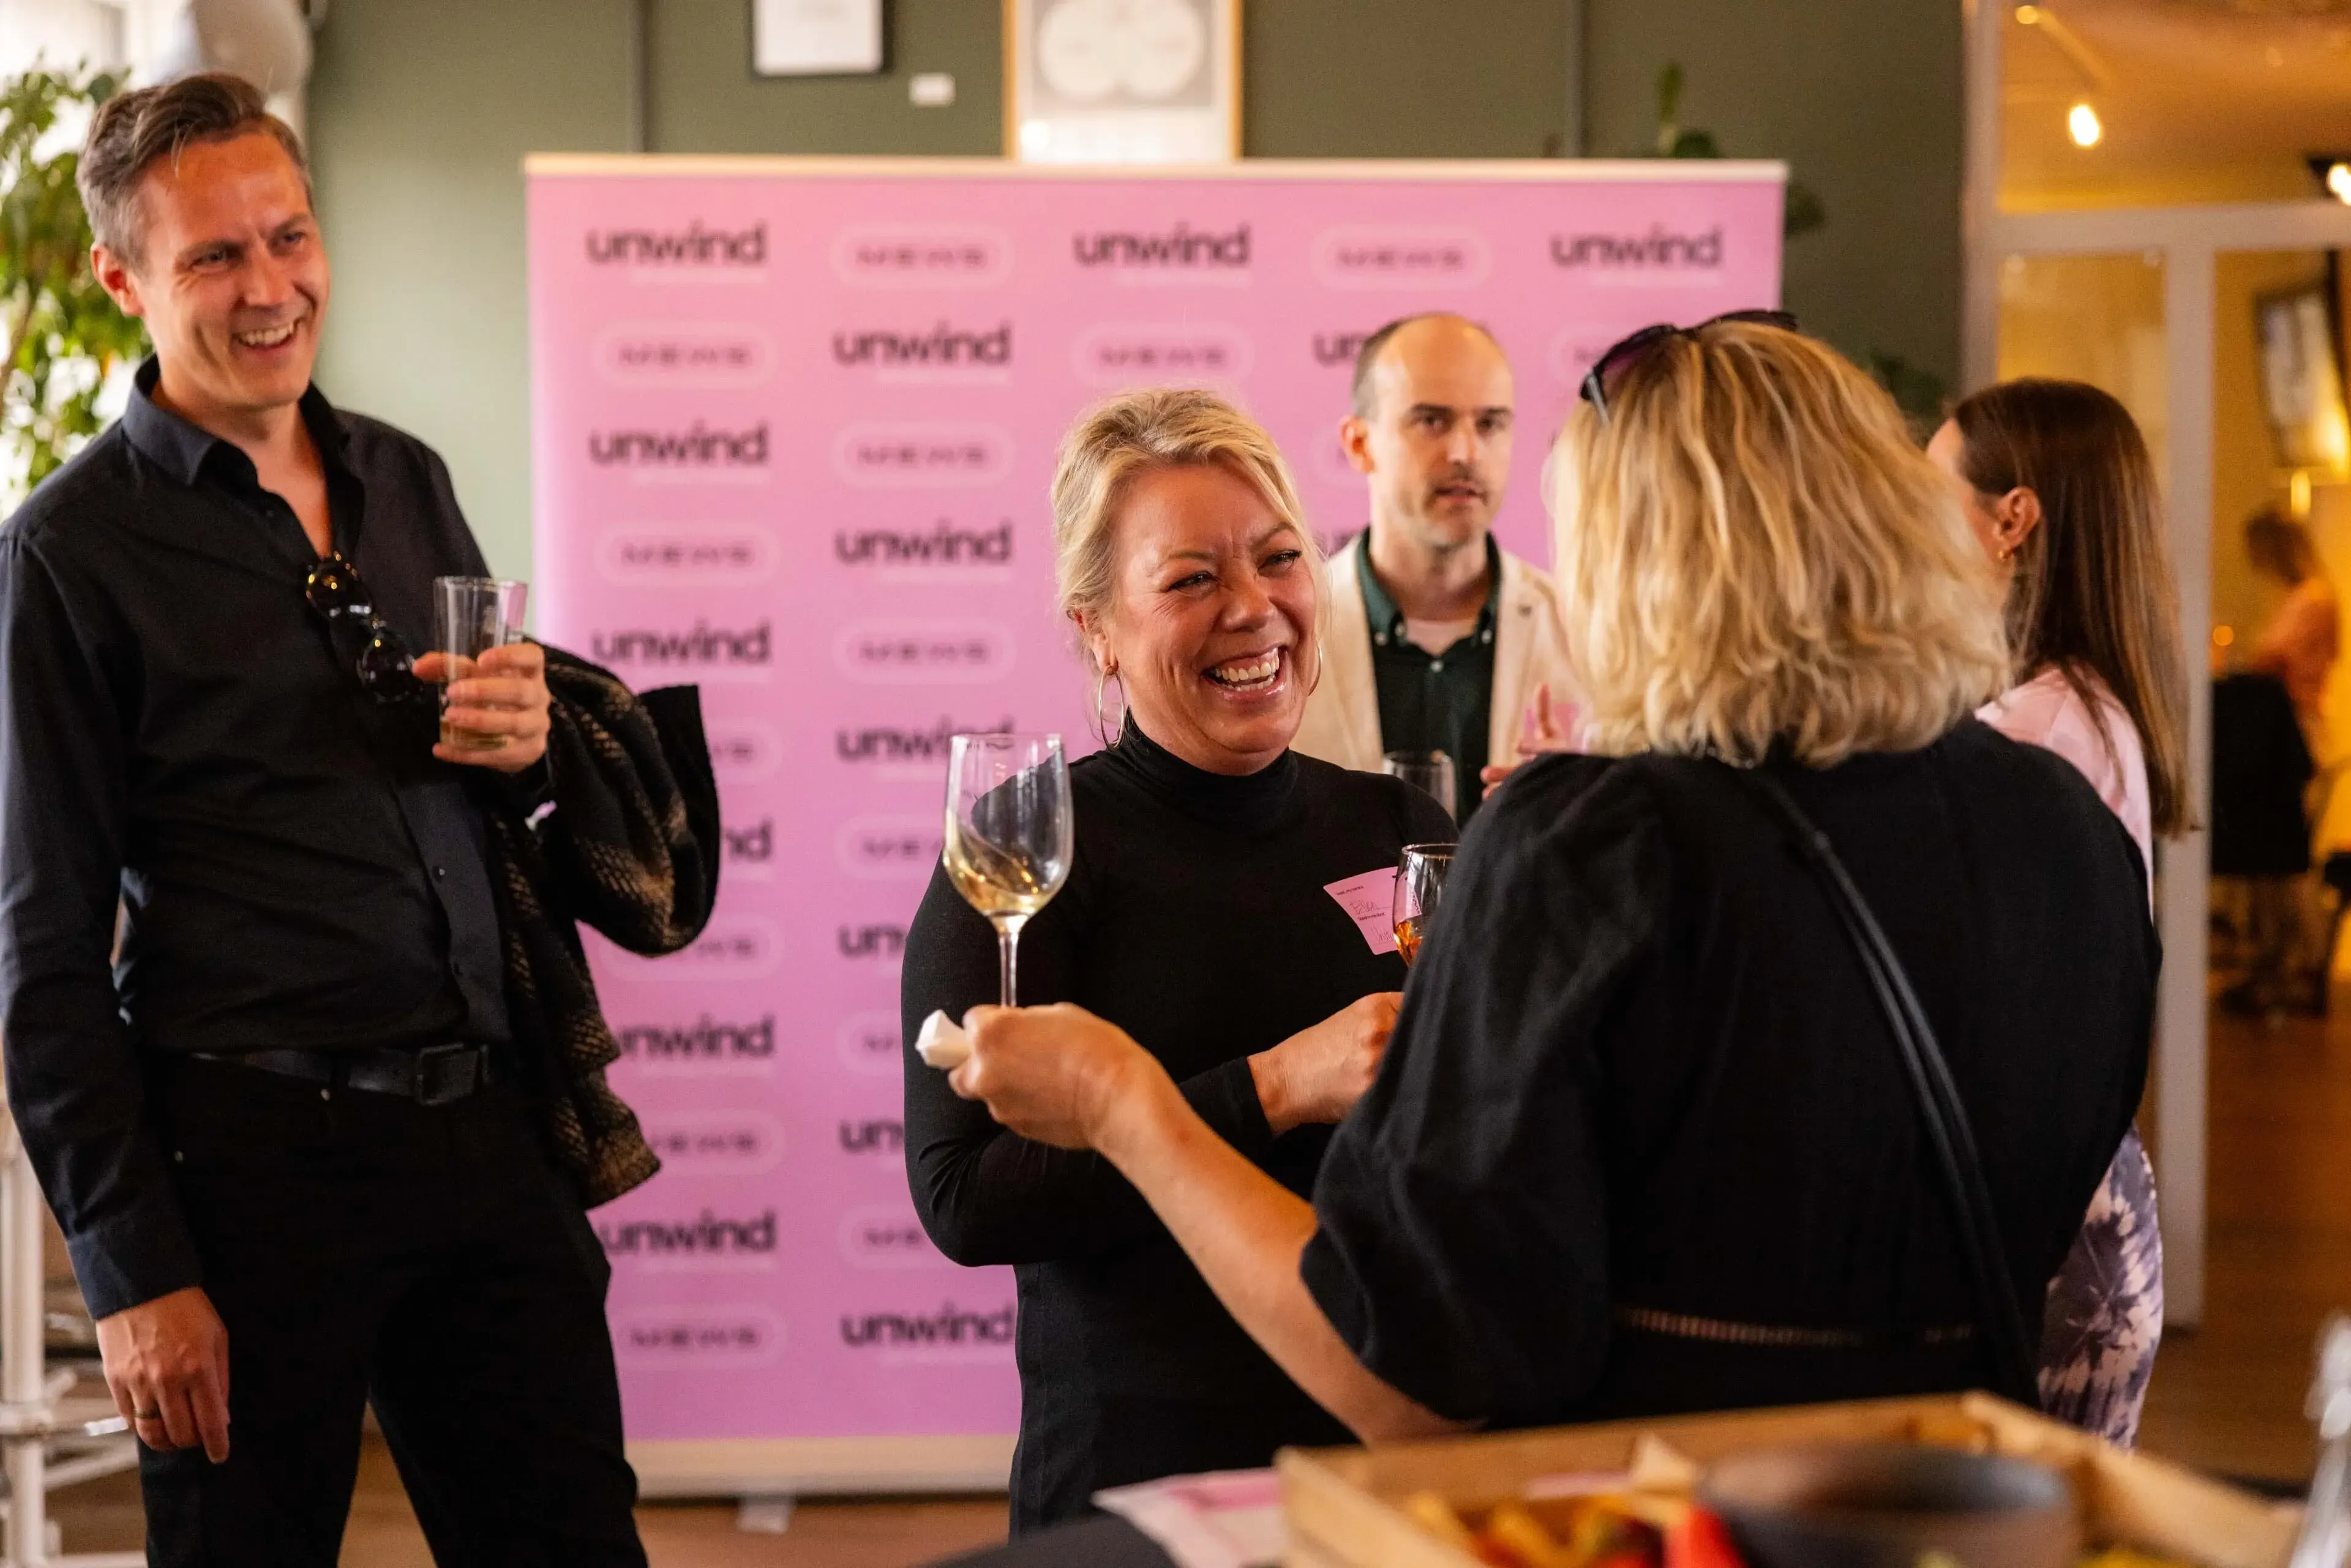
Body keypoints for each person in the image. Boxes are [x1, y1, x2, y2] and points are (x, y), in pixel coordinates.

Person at [943, 321, 2154, 1445]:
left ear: (1639, 565)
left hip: (1658, 1514)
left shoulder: (1591, 844)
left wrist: (1128, 1105)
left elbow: (1418, 1378)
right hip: (1962, 1499)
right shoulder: (2073, 836)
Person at [0, 75, 708, 1565]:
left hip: (489, 1128)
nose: (271, 287)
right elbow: (39, 949)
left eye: (290, 236)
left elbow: (477, 794)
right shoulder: (63, 556)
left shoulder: (404, 475)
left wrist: (523, 748)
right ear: (121, 279)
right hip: (248, 1169)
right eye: (215, 257)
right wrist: (133, 1271)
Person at [901, 389, 1453, 1531]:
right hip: (1136, 1483)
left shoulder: (1401, 824)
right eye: (1192, 579)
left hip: (1389, 1465)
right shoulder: (1029, 844)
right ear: (1096, 628)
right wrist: (1275, 1086)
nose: (1253, 610)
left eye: (1281, 558)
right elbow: (967, 1201)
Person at [1932, 377, 2188, 1445]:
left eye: (1927, 491)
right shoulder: (2081, 703)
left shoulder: (2035, 731)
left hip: (2052, 1219)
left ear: (2012, 519)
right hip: (2086, 1202)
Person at [1289, 313, 1578, 821]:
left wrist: (1589, 798)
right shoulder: (1281, 639)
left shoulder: (1587, 635)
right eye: (1432, 421)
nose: (1466, 452)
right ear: (1360, 444)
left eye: (1489, 423)